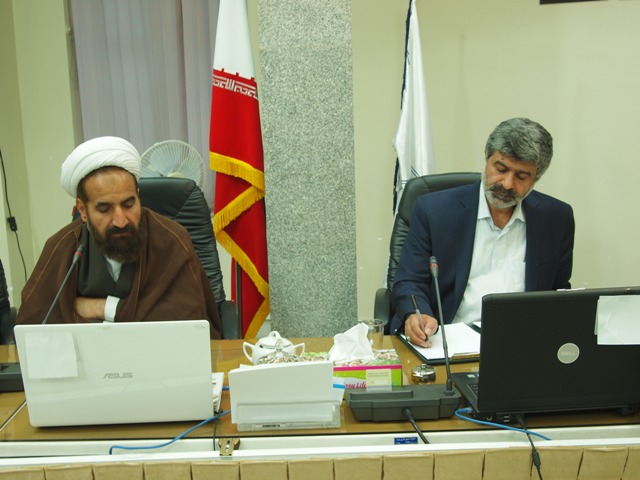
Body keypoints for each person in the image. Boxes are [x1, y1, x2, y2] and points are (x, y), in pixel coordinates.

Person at [391, 118, 574, 347]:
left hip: (523, 345)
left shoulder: (556, 218)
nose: (507, 184)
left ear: (536, 177)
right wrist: (416, 313)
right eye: (501, 169)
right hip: (448, 343)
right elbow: (410, 281)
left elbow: (558, 292)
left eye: (521, 176)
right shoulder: (434, 211)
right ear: (487, 155)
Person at [16, 136, 223, 339]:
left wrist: (104, 308)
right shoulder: (64, 246)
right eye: (104, 209)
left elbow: (188, 321)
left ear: (138, 196)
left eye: (128, 204)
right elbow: (33, 327)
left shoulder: (171, 239)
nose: (121, 221)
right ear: (82, 210)